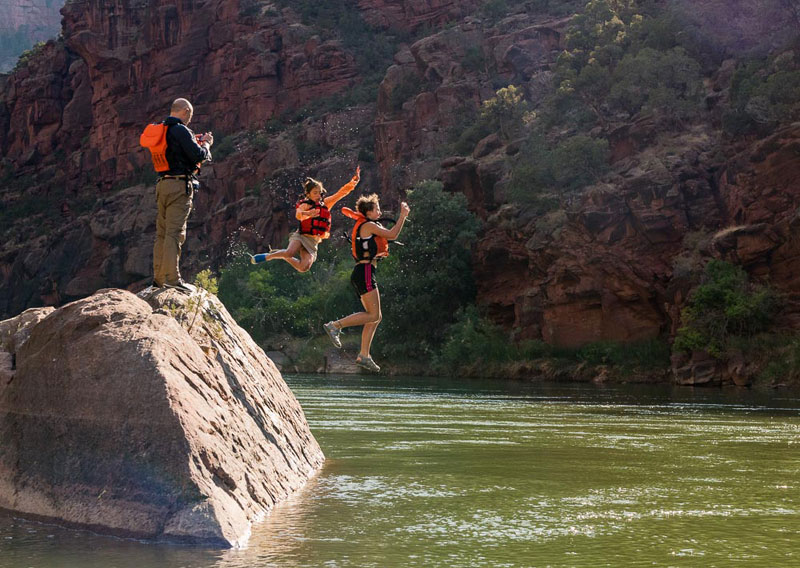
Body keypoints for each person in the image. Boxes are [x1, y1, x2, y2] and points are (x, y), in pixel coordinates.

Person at [322, 194, 410, 372]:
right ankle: (335, 326)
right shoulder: (368, 225)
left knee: (375, 316)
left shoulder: (368, 225)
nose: (379, 211)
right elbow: (393, 233)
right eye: (376, 209)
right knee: (373, 315)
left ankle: (364, 355)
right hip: (365, 272)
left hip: (363, 272)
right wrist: (403, 216)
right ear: (368, 212)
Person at [147, 98, 213, 292]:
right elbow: (199, 155)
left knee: (161, 233)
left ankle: (159, 278)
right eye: (190, 114)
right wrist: (207, 144)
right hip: (178, 186)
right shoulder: (181, 130)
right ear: (184, 111)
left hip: (162, 184)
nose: (190, 119)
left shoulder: (162, 129)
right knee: (175, 233)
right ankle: (172, 279)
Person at [251, 167, 360, 272]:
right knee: (289, 253)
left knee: (304, 267)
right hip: (301, 235)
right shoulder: (305, 205)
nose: (318, 195)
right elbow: (299, 215)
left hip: (313, 241)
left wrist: (353, 182)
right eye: (315, 193)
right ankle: (269, 256)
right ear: (308, 194)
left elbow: (340, 194)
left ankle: (283, 256)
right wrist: (308, 213)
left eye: (319, 193)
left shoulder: (326, 204)